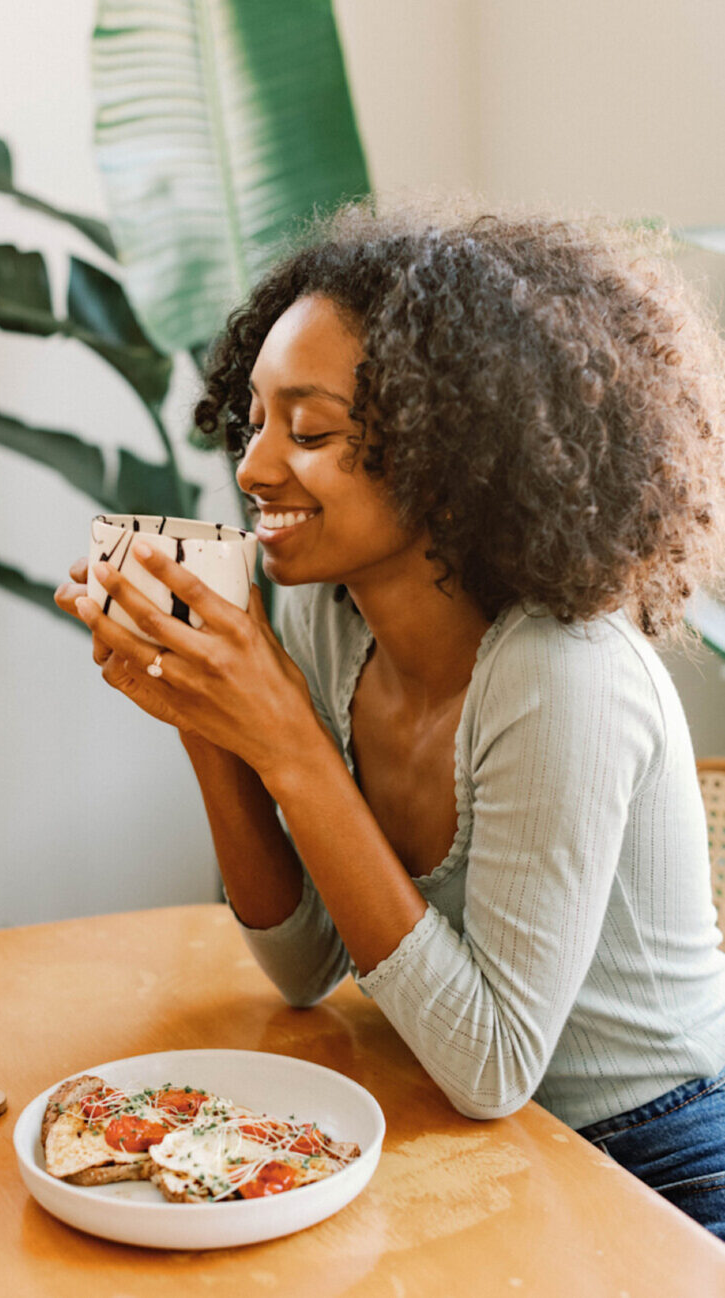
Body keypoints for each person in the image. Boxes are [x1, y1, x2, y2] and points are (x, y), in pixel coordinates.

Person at [55, 198, 725, 1238]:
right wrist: (209, 719)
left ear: (450, 457)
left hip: (655, 1163)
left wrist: (285, 737)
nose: (253, 466)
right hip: (458, 1131)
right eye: (257, 418)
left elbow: (495, 1066)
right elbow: (305, 963)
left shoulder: (565, 674)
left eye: (309, 429)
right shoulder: (333, 616)